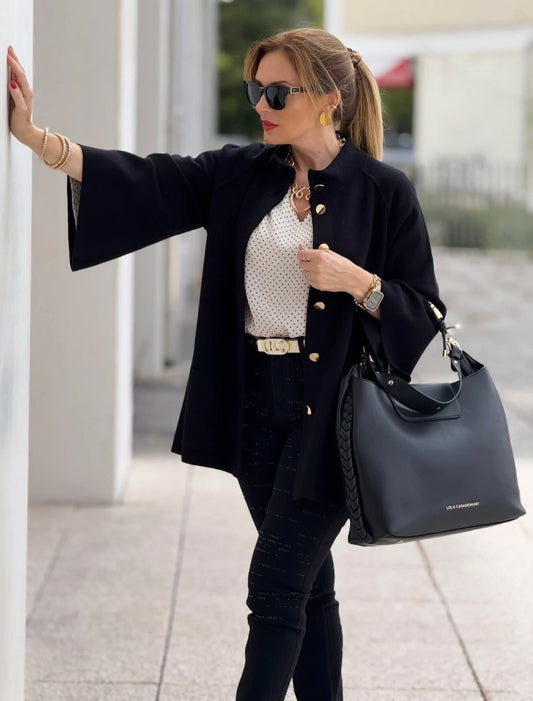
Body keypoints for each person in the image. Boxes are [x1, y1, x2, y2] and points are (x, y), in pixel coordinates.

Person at [8, 27, 445, 701]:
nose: (261, 105)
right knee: (307, 586)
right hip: (254, 405)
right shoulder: (241, 173)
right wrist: (37, 138)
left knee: (273, 587)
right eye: (254, 89)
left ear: (327, 99)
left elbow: (425, 311)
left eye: (277, 92)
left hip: (333, 416)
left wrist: (356, 281)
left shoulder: (383, 190)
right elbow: (151, 180)